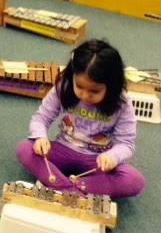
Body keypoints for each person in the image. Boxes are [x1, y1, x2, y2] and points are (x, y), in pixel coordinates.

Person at [15, 39, 145, 198]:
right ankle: (70, 190)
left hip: (97, 162)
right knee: (24, 148)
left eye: (94, 91)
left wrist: (112, 156)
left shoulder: (121, 103)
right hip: (62, 150)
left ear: (111, 85)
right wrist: (40, 137)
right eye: (79, 86)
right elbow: (41, 118)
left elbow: (126, 143)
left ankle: (71, 185)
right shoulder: (64, 87)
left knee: (134, 180)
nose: (85, 95)